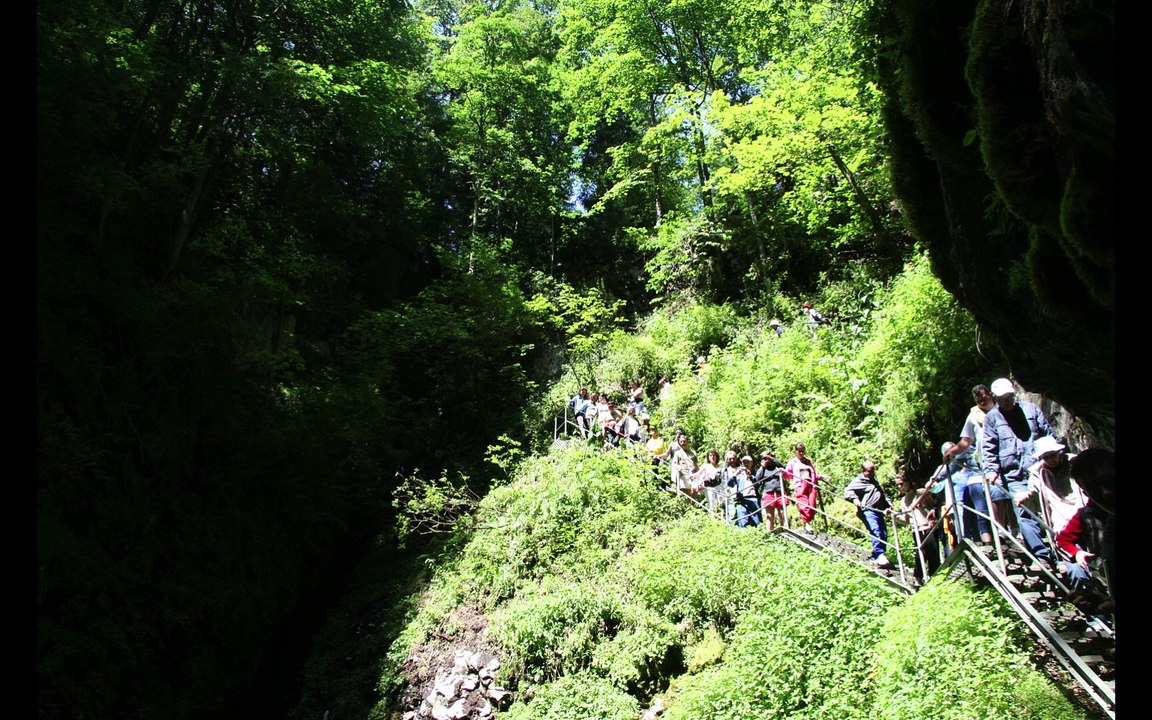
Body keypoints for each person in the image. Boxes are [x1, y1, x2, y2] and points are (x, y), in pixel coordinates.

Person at [980, 377, 1056, 567]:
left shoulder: (1030, 410)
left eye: (1009, 396)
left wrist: (1051, 457)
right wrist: (991, 470)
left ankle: (1061, 551)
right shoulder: (992, 418)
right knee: (1025, 512)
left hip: (1040, 469)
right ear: (995, 398)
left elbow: (1047, 434)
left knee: (1051, 510)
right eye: (1002, 397)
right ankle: (1042, 556)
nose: (1007, 400)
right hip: (1014, 474)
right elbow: (989, 447)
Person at [942, 384, 1011, 543]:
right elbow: (966, 441)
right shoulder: (974, 416)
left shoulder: (1004, 410)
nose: (981, 401)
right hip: (989, 460)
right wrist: (952, 452)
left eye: (983, 397)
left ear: (991, 394)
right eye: (977, 399)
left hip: (1009, 455)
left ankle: (1014, 531)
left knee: (1011, 495)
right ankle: (1001, 533)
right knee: (996, 495)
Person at [1019, 435, 1085, 536]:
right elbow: (1035, 500)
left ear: (1058, 453)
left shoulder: (1075, 463)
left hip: (1082, 514)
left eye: (1053, 455)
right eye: (1046, 457)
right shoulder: (1037, 474)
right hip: (1060, 520)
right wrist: (1025, 497)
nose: (1050, 460)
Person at [894, 470, 942, 582]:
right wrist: (894, 515)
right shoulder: (904, 500)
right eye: (898, 485)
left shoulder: (921, 492)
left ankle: (935, 577)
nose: (900, 487)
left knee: (933, 554)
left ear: (909, 481)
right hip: (916, 530)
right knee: (920, 554)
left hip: (927, 527)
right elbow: (906, 519)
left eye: (902, 483)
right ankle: (919, 577)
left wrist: (933, 518)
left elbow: (934, 507)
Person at [844, 461, 893, 567]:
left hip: (879, 510)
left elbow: (881, 493)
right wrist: (855, 500)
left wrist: (888, 504)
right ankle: (879, 554)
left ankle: (879, 555)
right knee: (876, 531)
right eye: (870, 471)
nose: (872, 473)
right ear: (863, 471)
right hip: (868, 510)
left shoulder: (874, 480)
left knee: (884, 533)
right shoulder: (858, 481)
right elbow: (848, 491)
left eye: (873, 471)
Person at [785, 442, 823, 533]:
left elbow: (813, 474)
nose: (801, 453)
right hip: (800, 485)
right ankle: (806, 524)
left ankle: (808, 521)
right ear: (795, 451)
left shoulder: (808, 461)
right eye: (799, 451)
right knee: (803, 505)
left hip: (811, 485)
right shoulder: (793, 462)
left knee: (812, 505)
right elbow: (787, 475)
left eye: (802, 451)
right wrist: (782, 472)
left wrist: (820, 477)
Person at [755, 450, 788, 530]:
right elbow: (757, 479)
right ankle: (770, 534)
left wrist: (772, 459)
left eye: (767, 457)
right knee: (770, 515)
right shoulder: (762, 468)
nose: (766, 459)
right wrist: (763, 466)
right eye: (764, 458)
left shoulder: (777, 465)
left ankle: (786, 530)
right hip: (768, 493)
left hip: (780, 492)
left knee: (782, 513)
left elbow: (785, 467)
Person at [665, 429, 699, 497]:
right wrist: (678, 467)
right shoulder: (677, 453)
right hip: (684, 475)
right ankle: (688, 506)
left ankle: (693, 505)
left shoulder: (692, 453)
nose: (683, 443)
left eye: (684, 441)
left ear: (687, 442)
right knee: (686, 494)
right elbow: (674, 463)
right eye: (681, 441)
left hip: (692, 475)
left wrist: (700, 474)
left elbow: (696, 465)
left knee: (695, 491)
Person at [732, 455, 762, 528]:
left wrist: (750, 477)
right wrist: (735, 474)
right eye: (744, 462)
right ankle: (743, 536)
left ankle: (758, 535)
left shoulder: (754, 474)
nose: (746, 464)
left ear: (751, 463)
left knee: (756, 520)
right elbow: (730, 483)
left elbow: (758, 485)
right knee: (742, 519)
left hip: (753, 498)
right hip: (742, 500)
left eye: (748, 462)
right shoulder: (739, 476)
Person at [693, 449, 724, 517]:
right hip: (709, 487)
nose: (712, 457)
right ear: (708, 457)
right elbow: (698, 474)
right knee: (712, 503)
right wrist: (692, 476)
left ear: (716, 456)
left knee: (721, 503)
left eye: (714, 455)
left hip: (719, 486)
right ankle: (713, 519)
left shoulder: (721, 466)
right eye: (710, 455)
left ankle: (723, 519)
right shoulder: (705, 466)